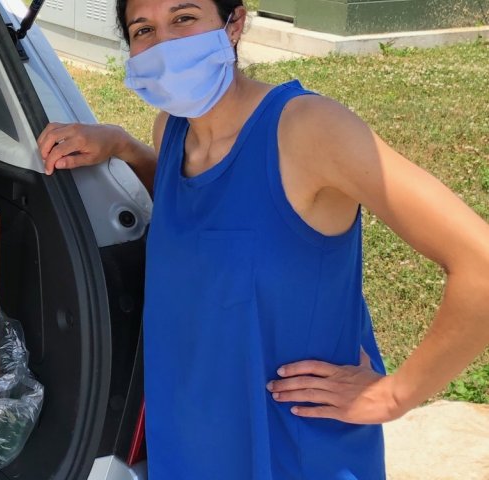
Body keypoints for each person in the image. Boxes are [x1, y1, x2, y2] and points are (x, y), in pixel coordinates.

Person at [36, 0, 489, 478]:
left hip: (291, 448)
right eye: (143, 28)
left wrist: (395, 395)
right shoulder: (171, 130)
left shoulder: (308, 130)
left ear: (235, 23)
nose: (164, 44)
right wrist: (124, 147)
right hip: (191, 435)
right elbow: (196, 213)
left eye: (184, 18)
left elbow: (479, 263)